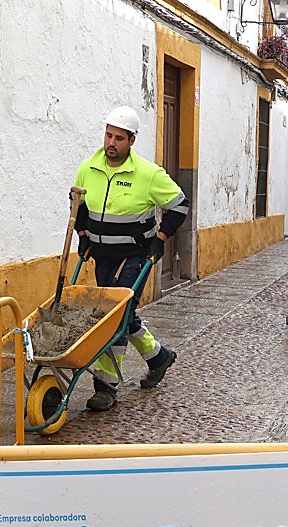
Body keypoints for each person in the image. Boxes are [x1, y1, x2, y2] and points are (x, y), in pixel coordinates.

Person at [72, 105, 190, 411]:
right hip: (102, 256)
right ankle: (159, 357)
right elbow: (79, 205)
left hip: (135, 256)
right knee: (122, 315)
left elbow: (179, 205)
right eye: (108, 135)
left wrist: (160, 239)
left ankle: (106, 387)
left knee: (115, 319)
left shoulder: (149, 174)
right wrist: (83, 237)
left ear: (131, 141)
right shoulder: (89, 167)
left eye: (119, 138)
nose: (111, 142)